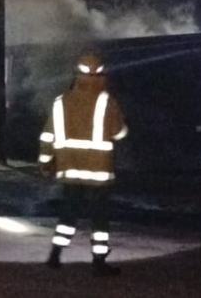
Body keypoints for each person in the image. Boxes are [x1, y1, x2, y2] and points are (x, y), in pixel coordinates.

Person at [39, 52, 128, 276]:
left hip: (70, 168)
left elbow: (48, 136)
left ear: (76, 75)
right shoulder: (107, 101)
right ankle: (98, 262)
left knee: (68, 212)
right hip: (98, 171)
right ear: (101, 75)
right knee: (99, 217)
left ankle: (55, 255)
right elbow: (119, 133)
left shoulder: (60, 102)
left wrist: (45, 162)